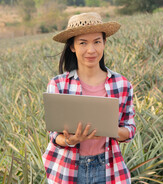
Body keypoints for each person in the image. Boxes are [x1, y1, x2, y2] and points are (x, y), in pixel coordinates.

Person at [42, 12, 136, 184]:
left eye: (97, 42)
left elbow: (129, 130)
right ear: (72, 47)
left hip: (108, 167)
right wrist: (71, 140)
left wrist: (108, 129)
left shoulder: (122, 84)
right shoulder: (59, 84)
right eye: (83, 43)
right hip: (67, 169)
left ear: (104, 43)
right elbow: (54, 135)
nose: (91, 50)